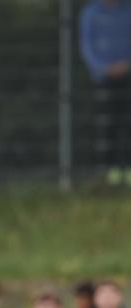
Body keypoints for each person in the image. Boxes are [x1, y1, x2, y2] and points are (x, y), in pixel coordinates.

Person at [80, 0, 131, 185]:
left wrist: (126, 65)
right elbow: (87, 47)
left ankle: (127, 170)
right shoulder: (91, 12)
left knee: (127, 123)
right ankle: (110, 172)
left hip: (127, 75)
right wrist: (104, 68)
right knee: (107, 126)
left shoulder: (128, 10)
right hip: (102, 78)